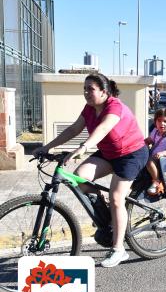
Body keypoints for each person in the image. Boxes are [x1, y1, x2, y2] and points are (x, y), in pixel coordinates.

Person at [33, 73, 149, 267]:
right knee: (79, 177)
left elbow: (103, 129)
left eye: (91, 89)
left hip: (131, 154)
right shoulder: (89, 108)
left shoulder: (115, 107)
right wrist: (47, 147)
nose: (86, 93)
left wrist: (83, 148)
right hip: (109, 153)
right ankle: (107, 220)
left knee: (116, 198)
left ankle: (119, 249)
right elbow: (73, 130)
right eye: (84, 89)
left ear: (104, 92)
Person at [145, 108, 166, 195]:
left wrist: (163, 153)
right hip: (153, 155)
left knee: (149, 162)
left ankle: (156, 182)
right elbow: (149, 140)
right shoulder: (155, 132)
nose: (162, 123)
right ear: (155, 122)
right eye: (159, 120)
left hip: (161, 158)